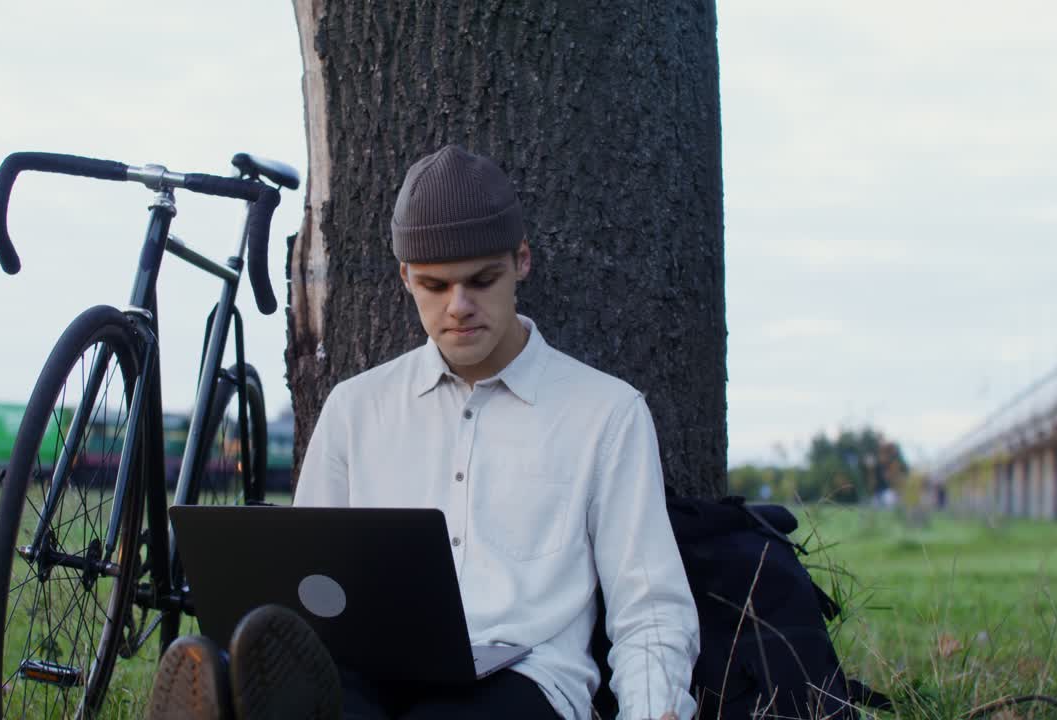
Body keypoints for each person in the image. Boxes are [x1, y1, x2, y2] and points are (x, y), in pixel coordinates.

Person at [147, 145, 700, 720]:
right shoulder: (357, 408)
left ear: (522, 262)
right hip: (369, 673)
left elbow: (650, 609)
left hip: (524, 683)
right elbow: (297, 595)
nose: (459, 306)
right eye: (435, 286)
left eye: (481, 280)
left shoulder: (605, 414)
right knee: (323, 694)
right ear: (406, 277)